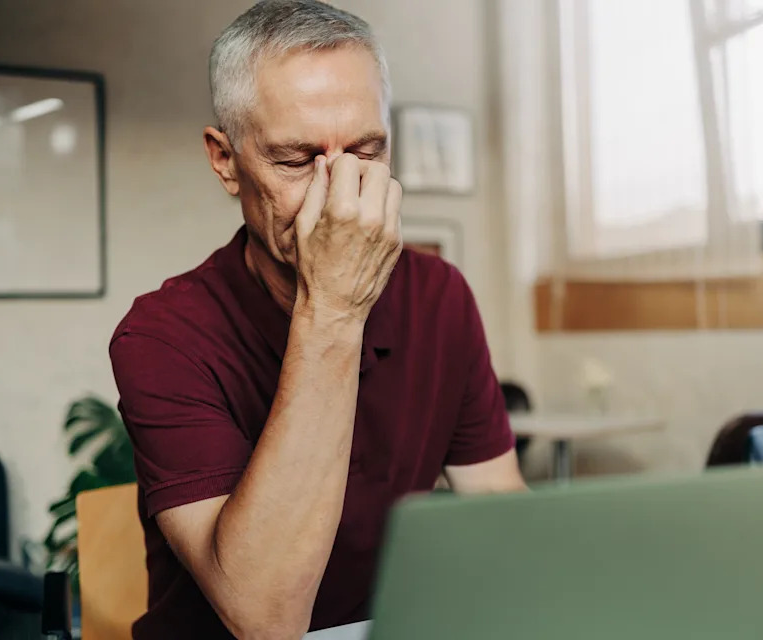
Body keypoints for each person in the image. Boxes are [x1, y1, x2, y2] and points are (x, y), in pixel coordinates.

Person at [109, 1, 526, 638]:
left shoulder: (439, 295)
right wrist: (334, 307)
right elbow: (265, 618)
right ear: (225, 161)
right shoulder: (163, 337)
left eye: (367, 150)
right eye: (296, 160)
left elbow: (499, 516)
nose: (339, 195)